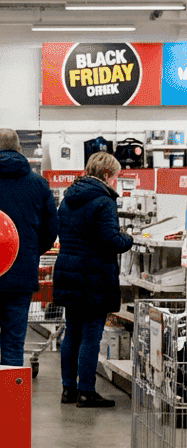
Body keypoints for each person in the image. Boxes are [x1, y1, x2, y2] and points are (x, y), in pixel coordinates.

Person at [0, 128, 58, 367]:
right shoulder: (38, 184)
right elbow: (50, 230)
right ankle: (9, 400)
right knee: (13, 346)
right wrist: (27, 252)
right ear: (19, 149)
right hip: (21, 278)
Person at [53, 152, 133, 408]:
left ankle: (69, 389)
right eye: (116, 178)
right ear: (108, 176)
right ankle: (86, 391)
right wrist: (128, 238)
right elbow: (110, 241)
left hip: (68, 271)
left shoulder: (68, 198)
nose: (116, 183)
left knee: (72, 333)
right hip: (94, 276)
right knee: (90, 336)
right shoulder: (103, 201)